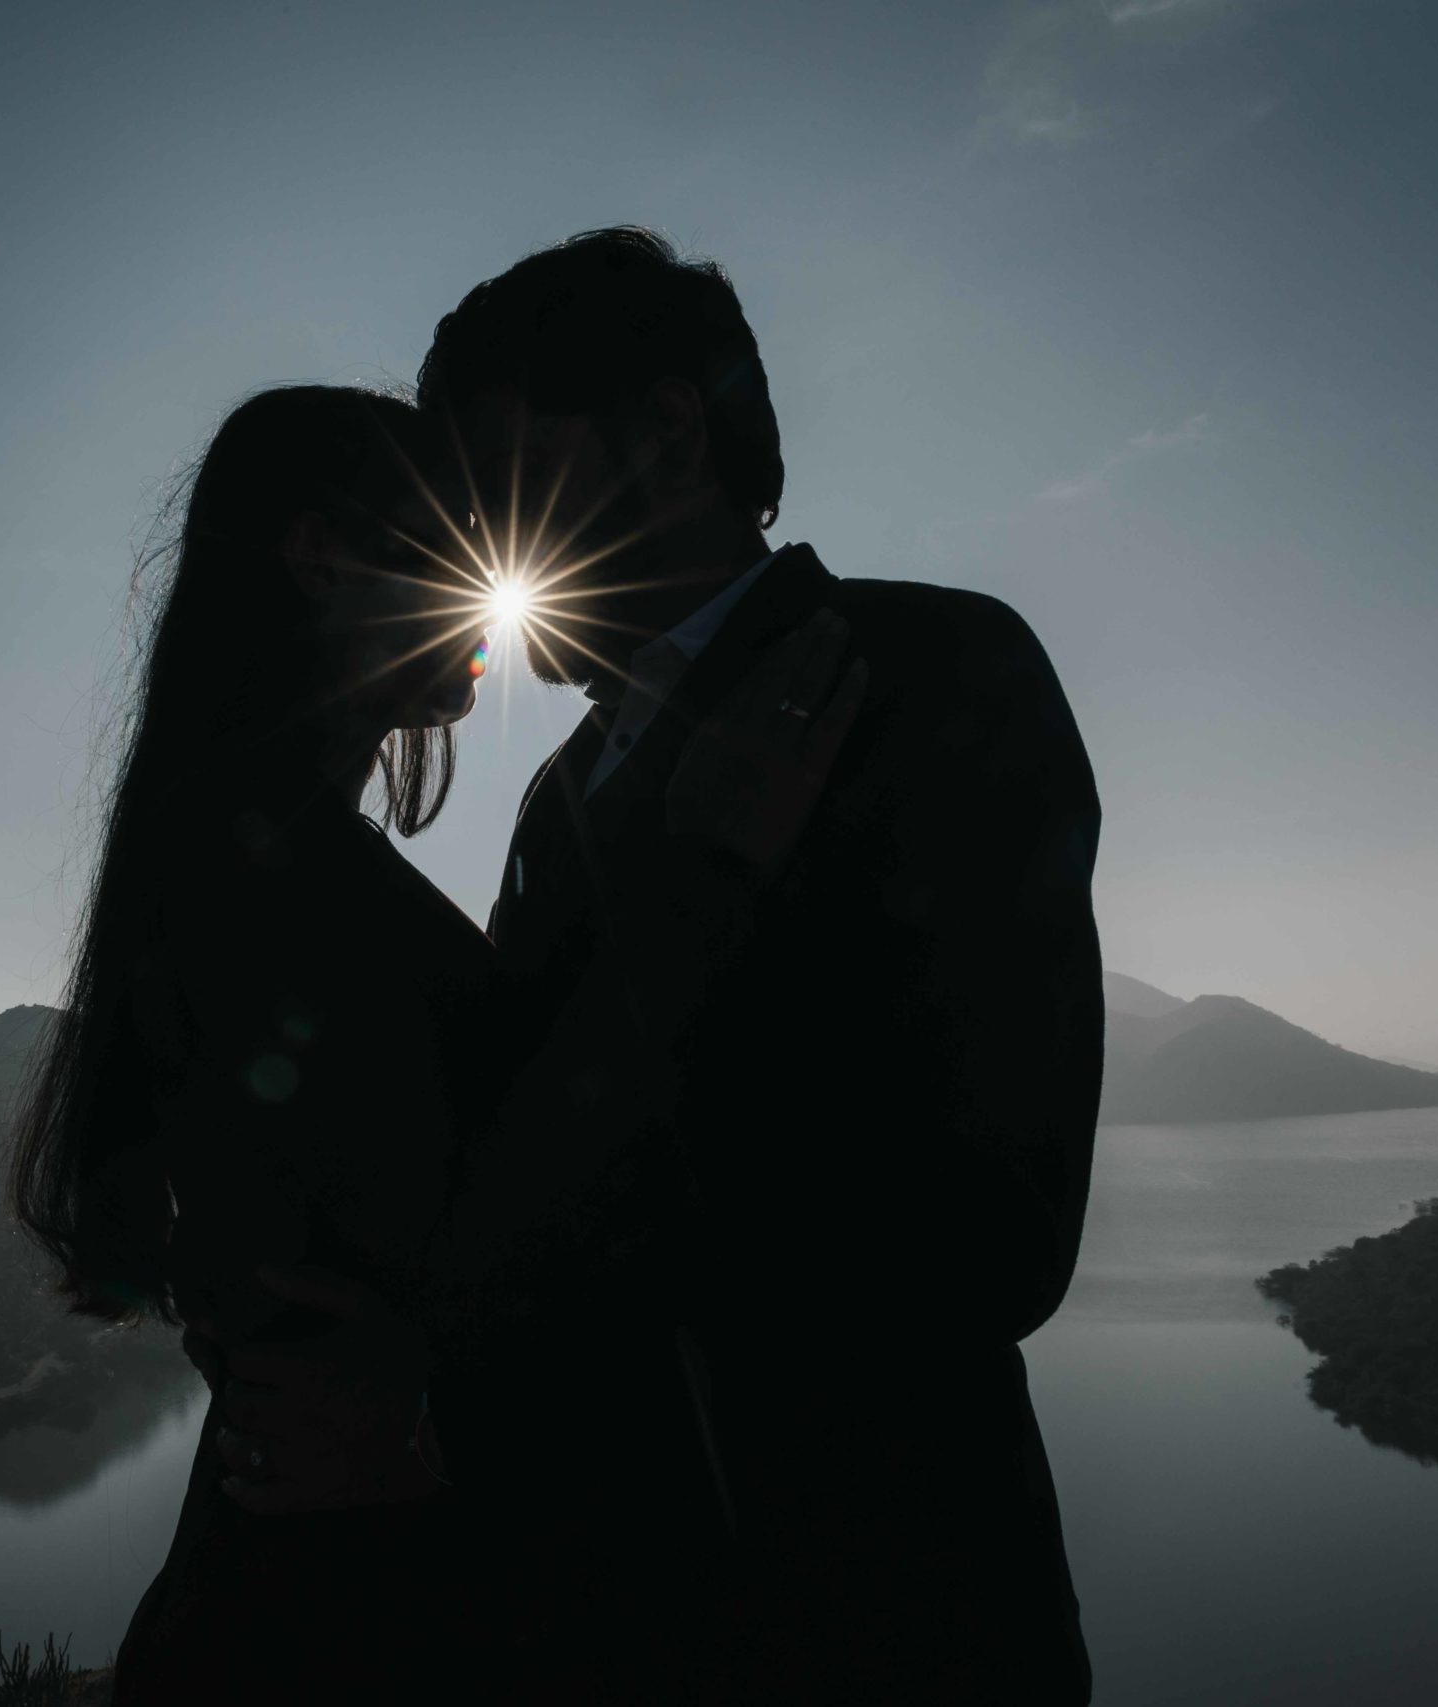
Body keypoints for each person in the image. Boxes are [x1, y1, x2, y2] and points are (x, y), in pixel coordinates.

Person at [194, 229, 1106, 1704]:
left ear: (667, 432)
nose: (467, 525)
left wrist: (437, 1378)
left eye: (490, 466)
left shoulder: (934, 677)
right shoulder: (558, 800)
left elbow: (990, 1234)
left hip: (887, 1631)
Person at [7, 381, 869, 1704]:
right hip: (341, 1626)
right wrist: (708, 871)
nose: (496, 573)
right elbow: (499, 1234)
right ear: (323, 558)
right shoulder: (272, 880)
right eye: (452, 535)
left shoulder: (250, 852)